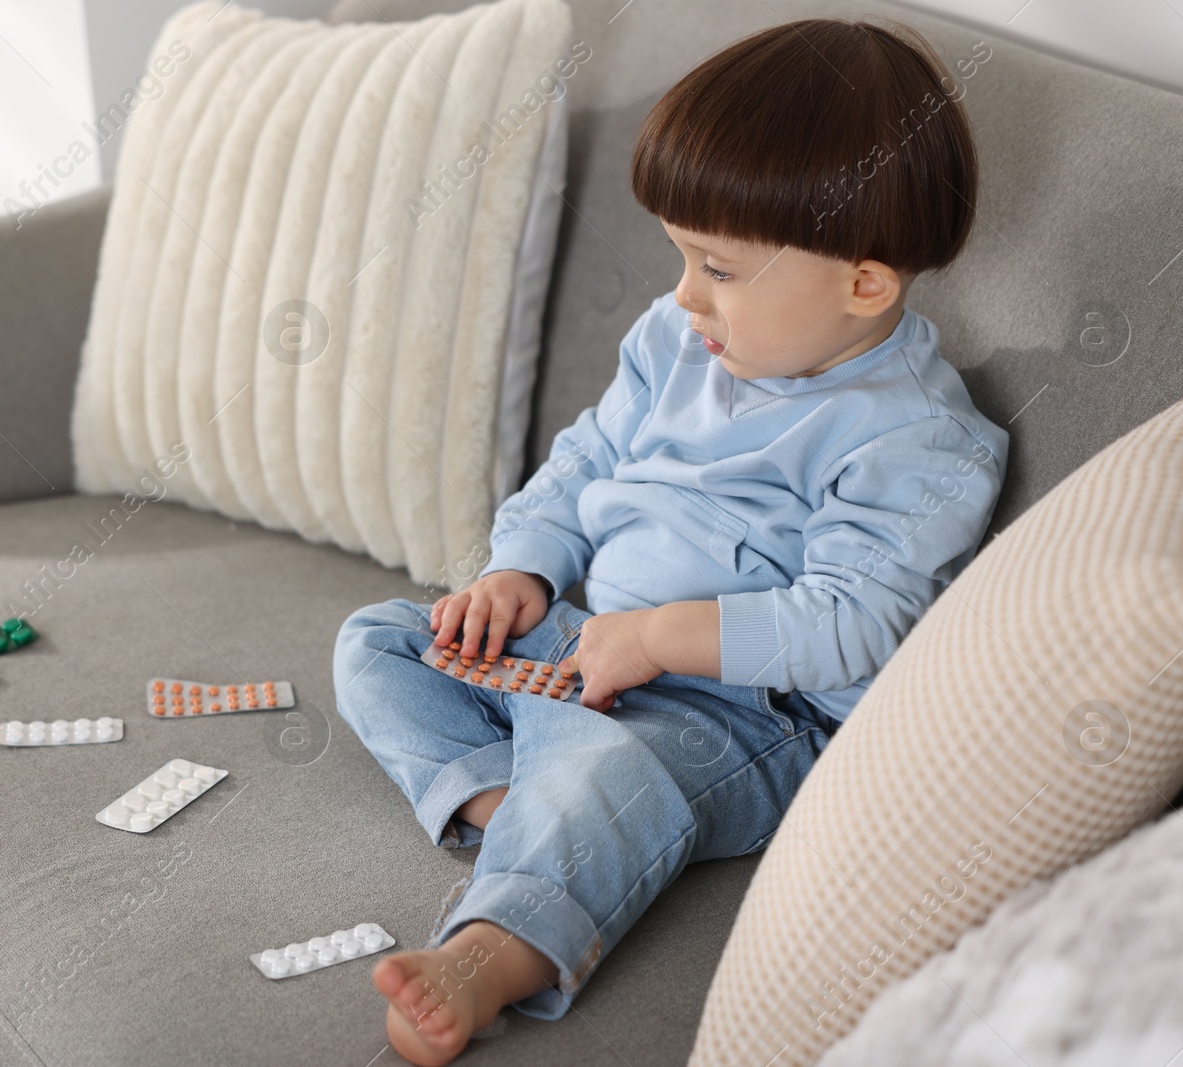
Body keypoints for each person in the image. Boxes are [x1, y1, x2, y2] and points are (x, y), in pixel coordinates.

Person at [331, 17, 1008, 1065]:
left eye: (718, 267)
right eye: (682, 256)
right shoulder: (676, 339)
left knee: (613, 764)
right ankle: (534, 812)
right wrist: (521, 568)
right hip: (585, 644)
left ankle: (487, 956)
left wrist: (657, 640)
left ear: (863, 283)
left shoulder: (917, 438)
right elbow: (585, 457)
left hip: (740, 716)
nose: (685, 293)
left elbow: (855, 625)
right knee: (380, 639)